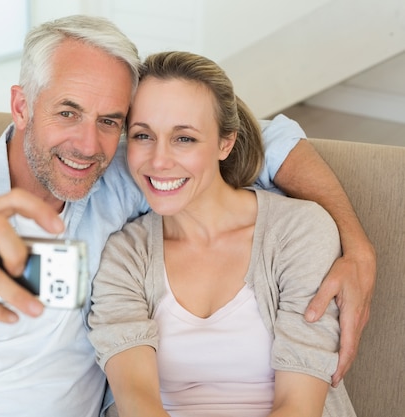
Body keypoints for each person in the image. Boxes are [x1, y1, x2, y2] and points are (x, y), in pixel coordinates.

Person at [0, 15, 371, 417]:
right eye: (67, 111)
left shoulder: (121, 182)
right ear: (21, 104)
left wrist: (357, 245)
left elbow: (262, 138)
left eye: (111, 120)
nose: (89, 144)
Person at [88, 51, 357, 417]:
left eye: (184, 139)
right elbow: (137, 401)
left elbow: (299, 406)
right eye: (143, 135)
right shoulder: (125, 252)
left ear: (225, 143)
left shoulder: (298, 231)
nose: (159, 160)